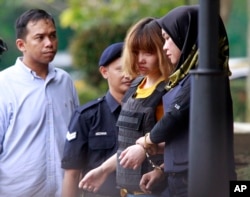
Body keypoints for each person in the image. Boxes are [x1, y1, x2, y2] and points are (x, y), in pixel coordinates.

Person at [119, 5, 237, 197]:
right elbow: (189, 135)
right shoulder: (185, 77)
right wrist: (163, 168)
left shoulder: (204, 76)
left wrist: (146, 143)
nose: (164, 46)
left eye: (167, 38)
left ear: (186, 35)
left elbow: (175, 114)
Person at [78, 17, 173, 197]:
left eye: (148, 52)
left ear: (163, 51)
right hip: (127, 190)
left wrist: (161, 171)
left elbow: (181, 147)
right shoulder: (135, 86)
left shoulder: (170, 91)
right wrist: (104, 170)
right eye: (135, 52)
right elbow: (129, 146)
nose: (140, 60)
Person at [0, 9, 79, 197]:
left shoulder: (65, 81)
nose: (49, 43)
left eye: (53, 36)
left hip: (64, 191)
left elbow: (77, 138)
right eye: (40, 37)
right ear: (21, 44)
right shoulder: (4, 84)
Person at [61, 42, 133, 197]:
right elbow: (72, 173)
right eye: (120, 69)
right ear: (104, 72)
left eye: (132, 68)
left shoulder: (148, 112)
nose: (128, 75)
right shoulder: (87, 116)